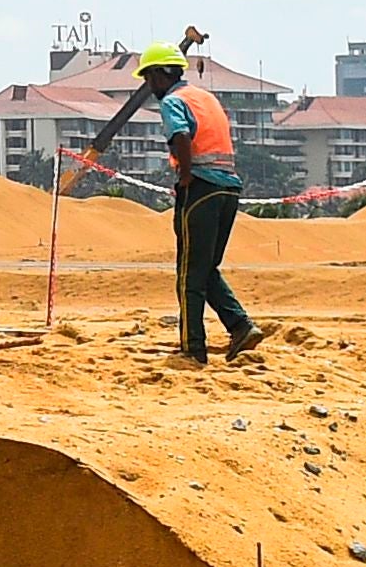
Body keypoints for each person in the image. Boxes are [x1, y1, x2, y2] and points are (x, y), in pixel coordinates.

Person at [89, 37, 264, 363]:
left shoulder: (172, 102)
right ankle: (240, 326)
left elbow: (181, 136)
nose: (147, 84)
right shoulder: (204, 97)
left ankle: (192, 348)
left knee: (188, 276)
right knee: (205, 268)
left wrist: (184, 176)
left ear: (158, 75)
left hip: (200, 187)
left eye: (148, 77)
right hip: (228, 189)